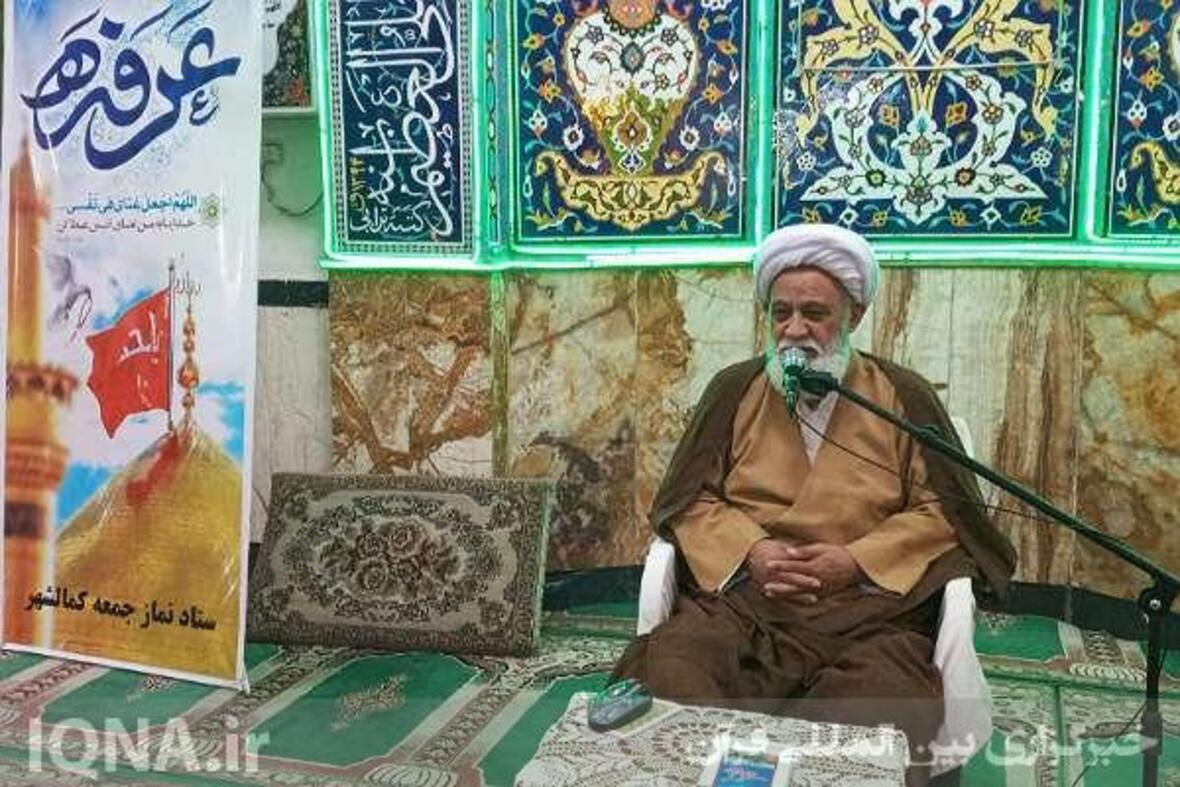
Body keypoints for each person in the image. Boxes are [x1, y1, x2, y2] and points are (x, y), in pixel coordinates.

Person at [613, 224, 1016, 787]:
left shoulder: (902, 396)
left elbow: (944, 510)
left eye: (815, 314)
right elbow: (690, 497)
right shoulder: (735, 390)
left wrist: (855, 560)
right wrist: (751, 551)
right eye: (781, 314)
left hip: (870, 615)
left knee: (879, 708)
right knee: (670, 671)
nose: (794, 330)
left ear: (854, 315)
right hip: (746, 608)